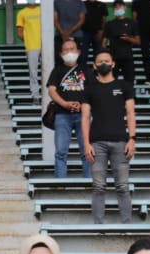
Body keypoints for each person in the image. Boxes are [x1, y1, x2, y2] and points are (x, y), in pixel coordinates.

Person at [80, 51, 137, 225]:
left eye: (107, 60)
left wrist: (132, 138)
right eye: (100, 61)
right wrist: (86, 143)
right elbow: (85, 117)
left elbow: (131, 113)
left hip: (121, 142)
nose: (103, 63)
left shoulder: (124, 86)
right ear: (95, 66)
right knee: (98, 186)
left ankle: (127, 225)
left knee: (122, 187)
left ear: (113, 64)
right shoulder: (90, 89)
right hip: (97, 143)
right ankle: (98, 225)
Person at [48, 40, 92, 180]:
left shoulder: (86, 70)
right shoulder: (57, 70)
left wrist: (84, 105)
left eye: (72, 49)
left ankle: (89, 182)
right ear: (61, 54)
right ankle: (60, 182)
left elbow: (94, 90)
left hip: (83, 115)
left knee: (87, 150)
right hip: (62, 115)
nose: (69, 52)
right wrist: (64, 104)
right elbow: (52, 90)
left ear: (78, 51)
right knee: (61, 151)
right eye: (65, 50)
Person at [102, 1, 140, 91]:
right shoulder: (109, 24)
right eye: (116, 7)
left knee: (129, 82)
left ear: (124, 7)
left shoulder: (131, 23)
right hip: (113, 57)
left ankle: (130, 99)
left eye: (120, 6)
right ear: (113, 9)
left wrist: (128, 39)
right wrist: (105, 53)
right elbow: (104, 41)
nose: (118, 8)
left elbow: (138, 41)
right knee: (111, 81)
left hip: (127, 57)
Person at [17, 0, 45, 103]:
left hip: (45, 46)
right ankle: (35, 95)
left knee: (47, 70)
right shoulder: (22, 13)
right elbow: (19, 32)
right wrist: (29, 40)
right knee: (33, 72)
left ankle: (47, 93)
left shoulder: (42, 11)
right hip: (31, 47)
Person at [53, 0, 87, 66]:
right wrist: (67, 33)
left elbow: (82, 20)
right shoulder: (56, 2)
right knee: (59, 60)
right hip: (66, 36)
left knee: (78, 61)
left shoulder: (80, 3)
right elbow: (82, 20)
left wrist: (64, 33)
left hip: (69, 36)